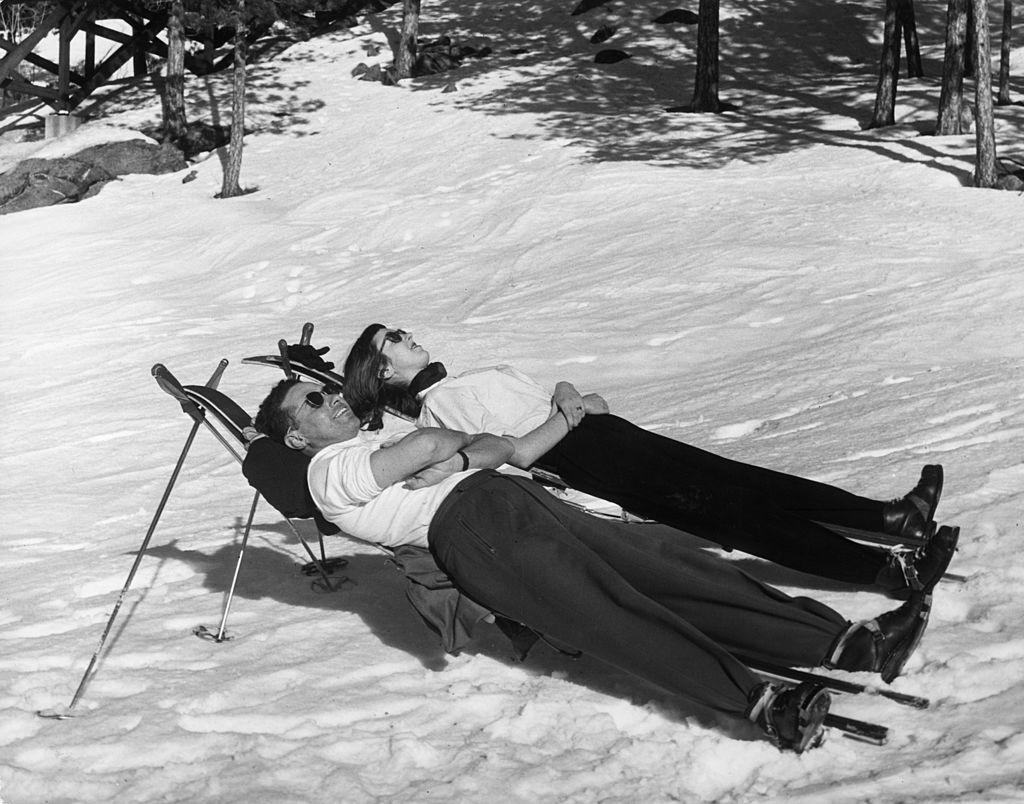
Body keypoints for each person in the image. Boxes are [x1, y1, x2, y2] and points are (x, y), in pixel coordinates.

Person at [253, 377, 957, 751]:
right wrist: (455, 452)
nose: (331, 397)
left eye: (326, 389)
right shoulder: (327, 471)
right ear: (294, 435)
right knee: (615, 615)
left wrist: (462, 456)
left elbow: (497, 448)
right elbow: (436, 444)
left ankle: (848, 644)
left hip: (506, 498)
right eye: (312, 400)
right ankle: (765, 706)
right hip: (473, 532)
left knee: (669, 571)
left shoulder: (366, 447)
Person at [339, 324, 955, 595]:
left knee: (744, 481)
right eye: (392, 340)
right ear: (385, 371)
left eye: (399, 330)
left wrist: (568, 394)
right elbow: (515, 456)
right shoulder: (439, 411)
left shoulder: (467, 377)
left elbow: (563, 400)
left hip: (605, 435)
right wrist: (569, 415)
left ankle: (889, 518)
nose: (405, 335)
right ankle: (881, 572)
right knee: (734, 514)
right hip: (588, 460)